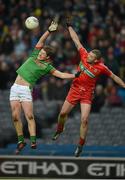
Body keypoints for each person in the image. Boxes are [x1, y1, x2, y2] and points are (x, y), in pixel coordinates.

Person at [52, 20, 125, 157]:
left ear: (96, 60)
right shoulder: (84, 55)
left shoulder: (101, 67)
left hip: (87, 94)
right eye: (89, 54)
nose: (88, 55)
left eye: (91, 56)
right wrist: (70, 26)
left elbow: (114, 77)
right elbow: (75, 40)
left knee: (84, 119)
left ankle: (80, 145)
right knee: (62, 115)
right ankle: (59, 129)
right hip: (74, 89)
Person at [9, 20, 80, 154]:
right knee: (15, 116)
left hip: (25, 90)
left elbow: (61, 75)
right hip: (15, 87)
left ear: (48, 58)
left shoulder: (47, 67)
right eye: (41, 52)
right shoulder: (34, 54)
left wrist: (75, 75)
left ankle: (33, 140)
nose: (40, 53)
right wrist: (48, 31)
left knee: (29, 116)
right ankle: (20, 140)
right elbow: (40, 42)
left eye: (43, 53)